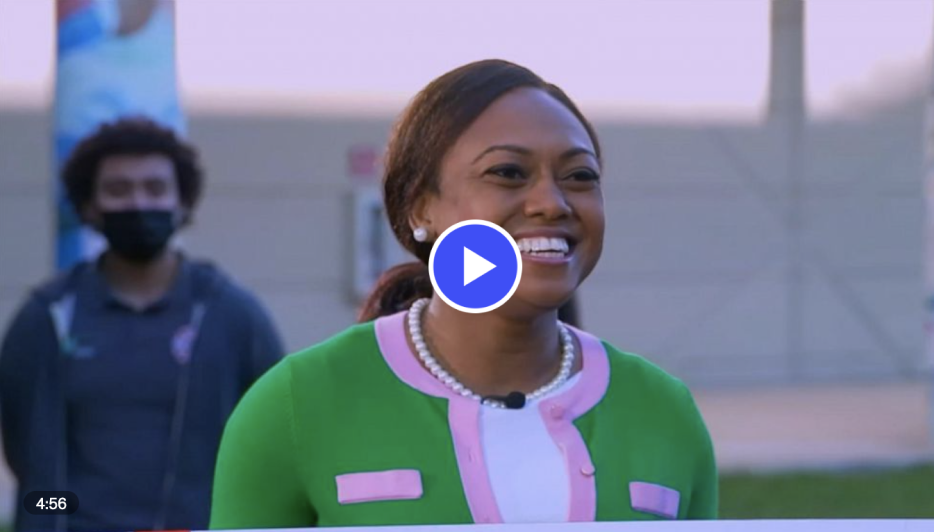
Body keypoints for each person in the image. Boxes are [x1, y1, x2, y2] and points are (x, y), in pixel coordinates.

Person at [210, 59, 717, 528]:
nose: (551, 202)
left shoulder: (666, 411)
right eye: (508, 173)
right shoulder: (296, 403)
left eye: (580, 176)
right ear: (419, 208)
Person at [0, 117, 285, 532]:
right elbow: (26, 462)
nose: (138, 203)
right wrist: (55, 514)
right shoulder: (47, 317)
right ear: (89, 207)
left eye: (155, 188)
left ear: (182, 203)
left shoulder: (231, 314)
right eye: (118, 190)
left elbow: (274, 439)